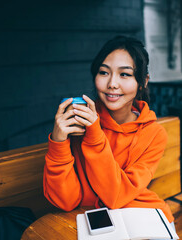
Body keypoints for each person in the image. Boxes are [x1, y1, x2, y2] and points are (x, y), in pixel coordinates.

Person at [43, 36, 174, 227]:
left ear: (143, 82)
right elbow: (66, 201)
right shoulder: (79, 121)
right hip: (93, 221)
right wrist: (58, 142)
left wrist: (95, 135)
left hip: (142, 215)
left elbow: (116, 196)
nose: (112, 83)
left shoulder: (154, 133)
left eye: (125, 74)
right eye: (104, 72)